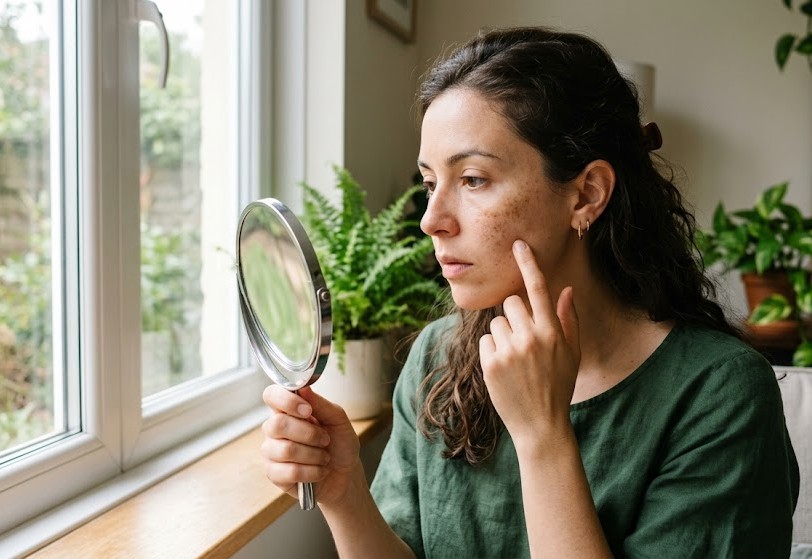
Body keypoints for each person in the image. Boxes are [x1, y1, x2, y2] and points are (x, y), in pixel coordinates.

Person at [260, 26, 799, 558]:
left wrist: (543, 436)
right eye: (429, 184)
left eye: (472, 179)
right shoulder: (437, 357)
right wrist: (344, 494)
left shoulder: (719, 394)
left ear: (586, 194)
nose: (431, 220)